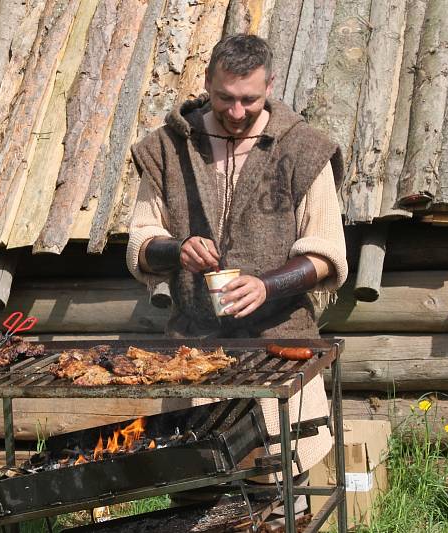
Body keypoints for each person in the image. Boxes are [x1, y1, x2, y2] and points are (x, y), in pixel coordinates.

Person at [126, 34, 348, 521]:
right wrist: (175, 249)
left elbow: (328, 254)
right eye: (225, 97)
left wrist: (267, 285)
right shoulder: (167, 149)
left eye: (250, 98)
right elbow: (141, 239)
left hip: (279, 345)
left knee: (278, 493)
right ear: (206, 83)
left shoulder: (303, 150)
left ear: (270, 86)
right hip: (195, 349)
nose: (237, 110)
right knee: (198, 491)